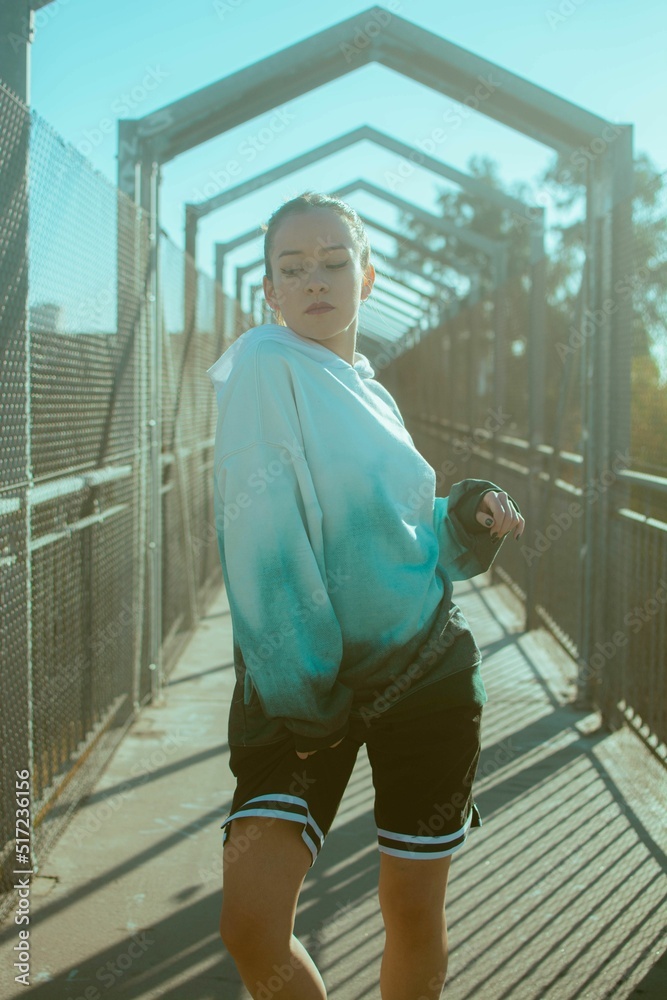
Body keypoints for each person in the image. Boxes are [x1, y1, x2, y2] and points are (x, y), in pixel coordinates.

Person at [206, 191, 524, 1000]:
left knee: (411, 911)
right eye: (293, 267)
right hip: (300, 690)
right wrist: (308, 706)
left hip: (426, 673)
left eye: (334, 262)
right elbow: (265, 545)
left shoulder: (370, 390)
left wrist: (467, 516)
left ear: (367, 277)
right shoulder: (264, 366)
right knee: (250, 927)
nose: (315, 280)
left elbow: (410, 541)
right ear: (270, 291)